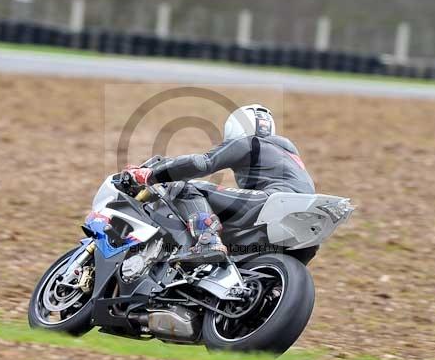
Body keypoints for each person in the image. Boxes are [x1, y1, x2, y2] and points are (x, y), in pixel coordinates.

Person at [122, 104, 315, 262]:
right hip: (305, 221)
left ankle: (208, 241)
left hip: (274, 201)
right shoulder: (288, 153)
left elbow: (201, 162)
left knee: (186, 188)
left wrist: (150, 174)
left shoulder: (248, 142)